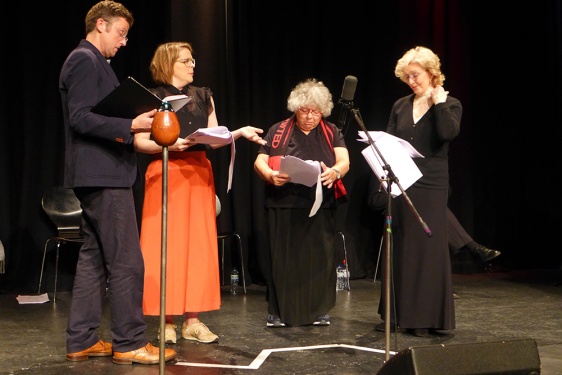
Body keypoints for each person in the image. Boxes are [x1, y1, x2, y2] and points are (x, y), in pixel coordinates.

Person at [59, 0, 176, 365]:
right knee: (126, 262)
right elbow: (80, 118)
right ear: (100, 25)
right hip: (103, 175)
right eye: (121, 33)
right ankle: (129, 341)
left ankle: (81, 339)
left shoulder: (97, 64)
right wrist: (132, 124)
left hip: (101, 173)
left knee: (94, 260)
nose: (124, 42)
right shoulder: (84, 59)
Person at [134, 41, 266, 345]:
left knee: (197, 244)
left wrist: (239, 132)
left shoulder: (204, 95)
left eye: (193, 60)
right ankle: (165, 320)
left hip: (198, 172)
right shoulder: (152, 97)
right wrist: (168, 144)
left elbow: (214, 136)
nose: (193, 65)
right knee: (164, 245)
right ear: (168, 64)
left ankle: (192, 320)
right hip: (166, 171)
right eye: (186, 61)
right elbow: (140, 142)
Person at [373, 46, 461, 337]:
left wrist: (438, 103)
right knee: (402, 244)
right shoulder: (400, 104)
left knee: (427, 248)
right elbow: (388, 139)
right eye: (407, 77)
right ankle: (398, 315)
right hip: (403, 178)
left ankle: (427, 317)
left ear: (432, 73)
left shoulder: (450, 104)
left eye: (416, 75)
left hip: (431, 182)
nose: (412, 81)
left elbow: (447, 134)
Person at [254, 78, 350, 327]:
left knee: (320, 257)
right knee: (282, 257)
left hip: (320, 202)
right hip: (283, 201)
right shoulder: (278, 129)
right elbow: (259, 161)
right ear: (295, 108)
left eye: (315, 111)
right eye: (304, 111)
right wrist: (269, 175)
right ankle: (277, 310)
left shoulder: (331, 132)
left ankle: (319, 309)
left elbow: (344, 161)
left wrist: (335, 172)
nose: (309, 116)